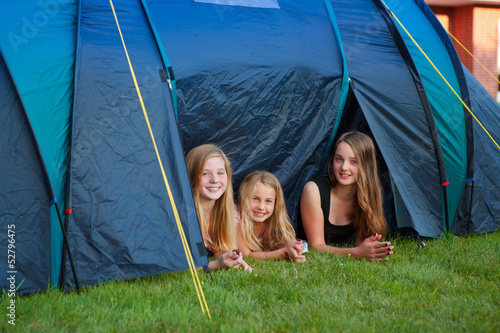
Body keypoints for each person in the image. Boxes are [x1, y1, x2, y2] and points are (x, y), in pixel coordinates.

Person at [298, 131, 394, 261]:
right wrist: (357, 253)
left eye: (353, 161)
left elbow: (361, 245)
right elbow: (316, 246)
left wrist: (369, 248)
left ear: (365, 166)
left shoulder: (368, 195)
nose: (344, 167)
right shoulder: (313, 191)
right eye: (339, 159)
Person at [186, 144, 252, 272]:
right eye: (205, 173)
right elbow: (180, 265)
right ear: (191, 176)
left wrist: (227, 257)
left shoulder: (227, 211)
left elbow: (221, 249)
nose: (215, 180)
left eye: (220, 173)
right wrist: (215, 265)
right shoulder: (182, 215)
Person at [236, 170, 306, 262]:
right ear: (243, 198)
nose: (261, 207)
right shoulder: (236, 219)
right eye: (255, 199)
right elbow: (246, 255)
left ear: (276, 204)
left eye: (268, 201)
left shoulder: (268, 221)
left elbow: (280, 243)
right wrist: (284, 253)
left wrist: (293, 248)